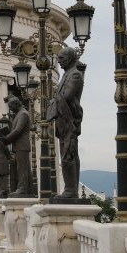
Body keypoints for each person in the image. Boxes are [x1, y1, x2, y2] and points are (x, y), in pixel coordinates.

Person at [46, 46, 85, 198]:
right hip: (63, 118)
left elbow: (67, 96)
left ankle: (70, 190)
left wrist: (53, 102)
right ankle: (70, 188)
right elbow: (60, 96)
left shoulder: (74, 75)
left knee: (68, 154)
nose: (59, 61)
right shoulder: (66, 75)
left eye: (61, 58)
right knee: (66, 153)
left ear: (69, 58)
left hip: (70, 119)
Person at [3, 96, 33, 197]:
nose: (10, 109)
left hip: (22, 145)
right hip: (19, 145)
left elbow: (17, 130)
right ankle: (26, 187)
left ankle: (23, 188)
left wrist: (7, 139)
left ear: (16, 104)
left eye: (11, 107)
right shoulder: (18, 115)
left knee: (22, 168)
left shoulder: (23, 114)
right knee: (23, 168)